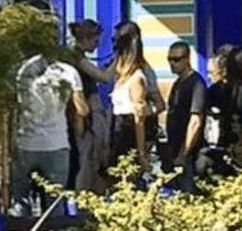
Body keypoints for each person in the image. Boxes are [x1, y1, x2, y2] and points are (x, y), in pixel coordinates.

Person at [11, 47, 86, 216]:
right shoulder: (68, 71)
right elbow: (82, 109)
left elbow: (9, 106)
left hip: (25, 144)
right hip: (57, 145)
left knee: (20, 203)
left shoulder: (21, 70)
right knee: (54, 206)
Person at [106, 21, 158, 176]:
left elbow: (139, 118)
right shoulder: (120, 71)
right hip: (116, 128)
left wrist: (141, 153)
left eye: (116, 42)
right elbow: (103, 76)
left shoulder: (138, 76)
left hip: (128, 131)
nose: (113, 47)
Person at [203, 44, 242, 178]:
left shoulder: (214, 91)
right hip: (240, 151)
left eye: (211, 73)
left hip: (218, 146)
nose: (209, 77)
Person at [162, 41, 211, 192]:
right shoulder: (178, 84)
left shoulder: (196, 83)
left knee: (190, 195)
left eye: (176, 59)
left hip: (190, 154)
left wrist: (184, 153)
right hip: (175, 149)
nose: (172, 64)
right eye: (169, 59)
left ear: (186, 59)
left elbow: (195, 121)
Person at [69, 19, 110, 192]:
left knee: (94, 160)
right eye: (95, 40)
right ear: (85, 39)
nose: (98, 44)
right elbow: (103, 77)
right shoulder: (76, 57)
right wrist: (119, 58)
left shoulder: (79, 56)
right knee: (87, 160)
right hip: (85, 119)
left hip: (89, 117)